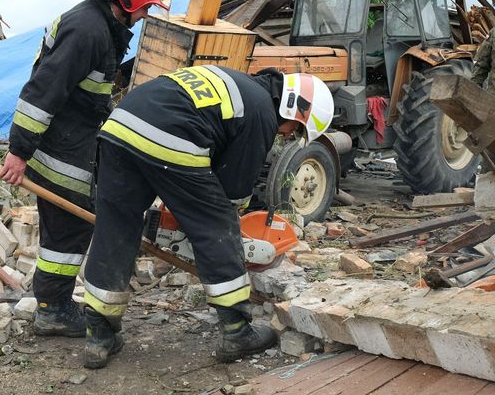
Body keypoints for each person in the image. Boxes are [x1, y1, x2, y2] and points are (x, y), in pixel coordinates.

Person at [80, 66, 334, 368]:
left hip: (118, 130)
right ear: (295, 107)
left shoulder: (241, 85)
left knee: (116, 228)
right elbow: (232, 191)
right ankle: (236, 331)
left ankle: (99, 335)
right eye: (295, 127)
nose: (289, 133)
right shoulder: (262, 112)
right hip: (170, 136)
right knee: (216, 224)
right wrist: (225, 233)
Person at [0, 0, 171, 338]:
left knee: (67, 229)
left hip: (73, 140)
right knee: (68, 229)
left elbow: (87, 91)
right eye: (145, 9)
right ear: (127, 0)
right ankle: (53, 309)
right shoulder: (87, 31)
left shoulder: (100, 23)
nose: (145, 16)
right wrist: (19, 151)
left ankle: (52, 303)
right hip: (61, 149)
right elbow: (42, 92)